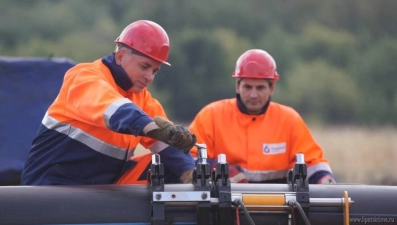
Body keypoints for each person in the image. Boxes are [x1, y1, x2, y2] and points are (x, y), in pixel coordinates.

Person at [21, 20, 196, 185]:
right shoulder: (84, 76)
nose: (149, 77)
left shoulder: (141, 98)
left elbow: (167, 146)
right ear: (120, 56)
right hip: (52, 185)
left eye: (155, 71)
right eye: (144, 67)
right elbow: (114, 109)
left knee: (170, 168)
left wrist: (189, 172)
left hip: (104, 188)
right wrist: (153, 128)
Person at [188, 49, 336, 184]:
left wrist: (325, 181)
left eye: (260, 88)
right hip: (224, 205)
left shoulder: (289, 120)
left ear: (272, 88)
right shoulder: (211, 116)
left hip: (278, 206)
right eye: (247, 87)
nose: (253, 95)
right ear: (237, 86)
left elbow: (313, 164)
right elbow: (189, 159)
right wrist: (220, 170)